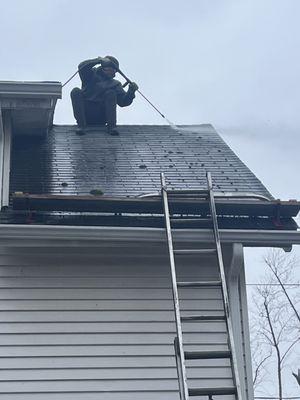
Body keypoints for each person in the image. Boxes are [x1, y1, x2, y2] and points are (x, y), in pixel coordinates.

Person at [71, 56, 138, 135]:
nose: (114, 73)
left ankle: (112, 127)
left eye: (115, 71)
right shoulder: (90, 75)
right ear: (104, 67)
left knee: (111, 93)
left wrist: (131, 91)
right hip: (86, 113)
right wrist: (98, 60)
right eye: (112, 70)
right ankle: (81, 126)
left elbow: (123, 102)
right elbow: (81, 67)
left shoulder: (115, 84)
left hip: (101, 115)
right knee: (75, 91)